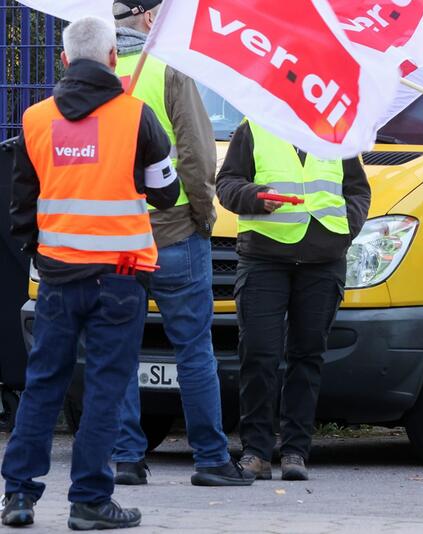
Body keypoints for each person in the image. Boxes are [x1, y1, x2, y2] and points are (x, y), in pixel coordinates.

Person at [2, 16, 180, 530]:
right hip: (121, 278)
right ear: (112, 59)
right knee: (105, 388)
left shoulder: (34, 120)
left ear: (63, 60)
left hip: (58, 278)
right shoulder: (137, 116)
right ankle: (89, 502)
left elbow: (21, 206)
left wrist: (43, 253)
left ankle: (18, 496)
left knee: (43, 386)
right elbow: (166, 193)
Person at [108, 0, 252, 488]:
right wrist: (203, 215)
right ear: (150, 18)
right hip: (172, 234)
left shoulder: (92, 77)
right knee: (194, 349)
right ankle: (211, 459)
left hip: (113, 242)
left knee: (120, 351)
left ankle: (127, 457)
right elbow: (195, 150)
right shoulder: (171, 69)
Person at [216, 121, 370, 482]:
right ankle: (255, 451)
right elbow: (226, 184)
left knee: (307, 356)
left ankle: (296, 451)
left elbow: (358, 191)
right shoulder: (254, 126)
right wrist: (255, 196)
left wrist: (345, 228)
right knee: (259, 354)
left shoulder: (338, 132)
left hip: (323, 260)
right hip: (265, 259)